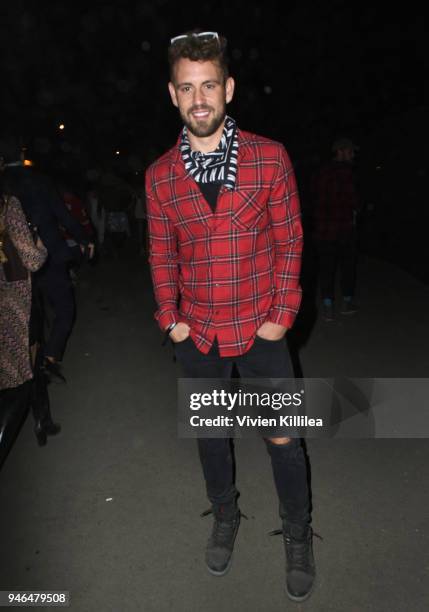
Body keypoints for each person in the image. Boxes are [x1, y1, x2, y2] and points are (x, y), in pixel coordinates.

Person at [146, 31, 315, 602]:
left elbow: (291, 238)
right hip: (199, 333)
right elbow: (160, 252)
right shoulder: (160, 176)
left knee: (284, 438)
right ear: (173, 94)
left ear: (228, 89)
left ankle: (296, 532)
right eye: (187, 87)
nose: (199, 99)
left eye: (209, 85)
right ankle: (225, 516)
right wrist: (171, 318)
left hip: (262, 328)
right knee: (211, 437)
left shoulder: (270, 157)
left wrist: (283, 313)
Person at [1, 156, 95, 381]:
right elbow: (62, 215)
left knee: (25, 318)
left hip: (9, 265)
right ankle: (49, 358)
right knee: (64, 309)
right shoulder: (38, 180)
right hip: (45, 255)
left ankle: (28, 366)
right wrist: (84, 238)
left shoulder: (5, 183)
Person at [0, 189, 47, 463]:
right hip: (10, 304)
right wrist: (41, 246)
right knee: (19, 379)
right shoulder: (8, 204)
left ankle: (44, 420)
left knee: (30, 363)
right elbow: (31, 259)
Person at [312, 137, 361, 321]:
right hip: (343, 228)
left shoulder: (321, 172)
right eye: (349, 151)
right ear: (340, 151)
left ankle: (328, 307)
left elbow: (314, 197)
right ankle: (346, 302)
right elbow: (353, 200)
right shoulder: (347, 173)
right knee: (346, 267)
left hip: (324, 230)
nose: (352, 154)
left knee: (327, 268)